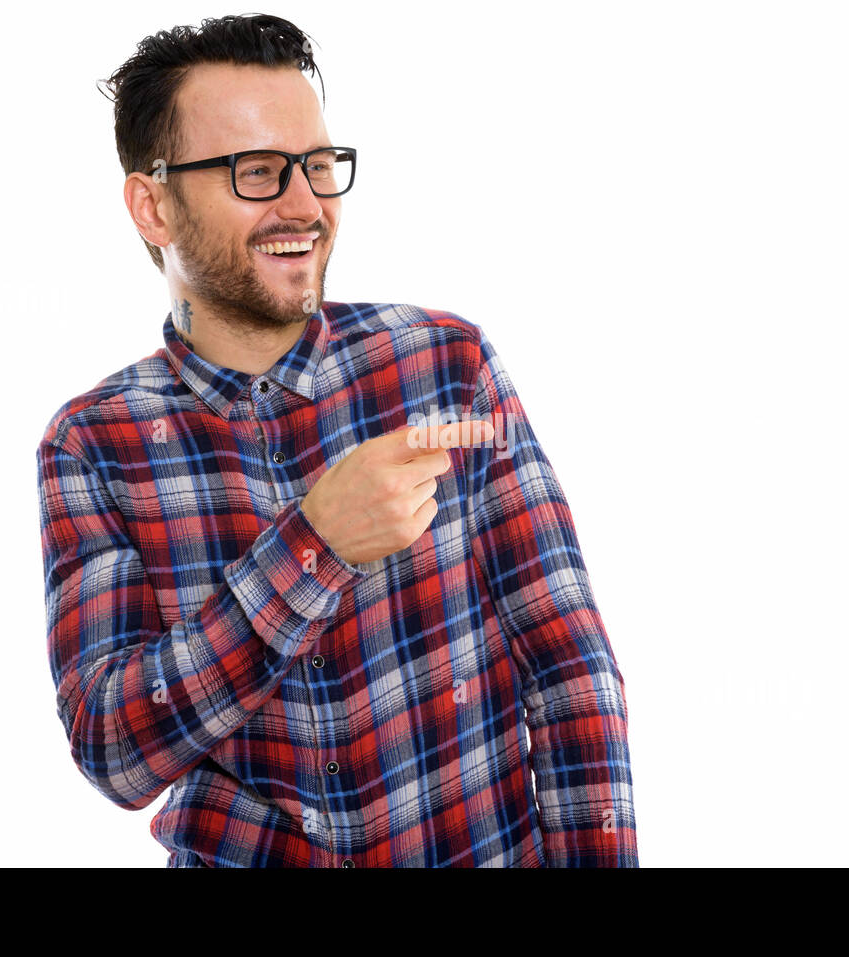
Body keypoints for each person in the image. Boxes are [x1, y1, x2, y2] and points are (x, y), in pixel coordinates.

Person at [35, 13, 638, 867]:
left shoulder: (445, 365)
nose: (306, 205)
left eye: (319, 167)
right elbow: (114, 749)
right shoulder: (94, 444)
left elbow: (573, 674)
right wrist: (314, 545)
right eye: (256, 172)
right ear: (154, 203)